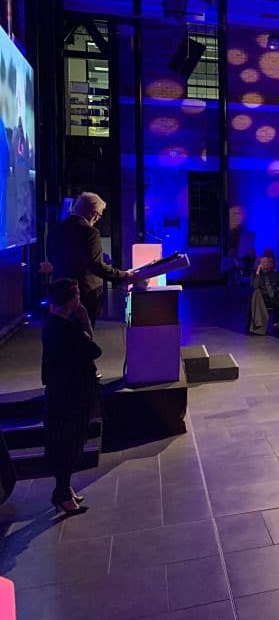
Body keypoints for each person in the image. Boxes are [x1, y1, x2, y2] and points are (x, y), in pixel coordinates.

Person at [42, 278, 101, 515]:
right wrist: (86, 321)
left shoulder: (52, 323)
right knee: (69, 442)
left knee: (66, 442)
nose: (80, 299)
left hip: (60, 391)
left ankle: (64, 490)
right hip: (70, 393)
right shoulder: (68, 328)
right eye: (77, 296)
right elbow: (94, 350)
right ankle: (62, 494)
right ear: (70, 300)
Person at [45, 192, 134, 327]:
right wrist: (123, 275)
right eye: (98, 215)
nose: (97, 219)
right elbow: (95, 265)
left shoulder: (55, 230)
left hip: (60, 288)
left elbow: (52, 257)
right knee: (84, 334)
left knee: (64, 333)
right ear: (92, 212)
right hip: (85, 292)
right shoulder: (90, 232)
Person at [248, 255, 279, 335]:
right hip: (264, 298)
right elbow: (255, 286)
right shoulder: (255, 274)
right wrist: (258, 271)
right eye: (263, 262)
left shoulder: (275, 273)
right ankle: (277, 324)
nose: (266, 263)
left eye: (267, 262)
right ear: (259, 264)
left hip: (275, 295)